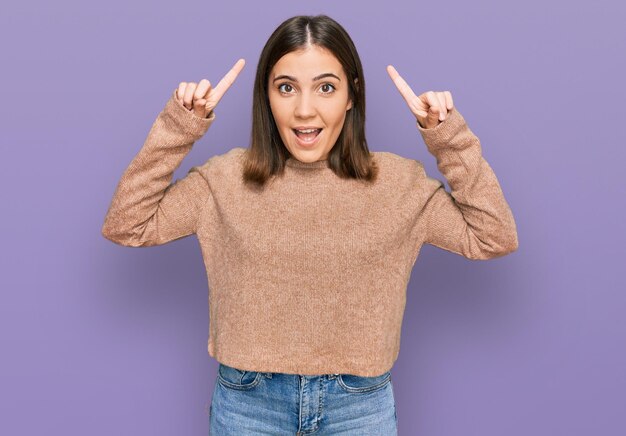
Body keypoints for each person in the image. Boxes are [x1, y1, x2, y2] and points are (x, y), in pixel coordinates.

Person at [102, 14, 518, 436]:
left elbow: (493, 235)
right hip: (249, 405)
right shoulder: (223, 180)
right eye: (286, 88)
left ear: (352, 95)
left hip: (360, 408)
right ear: (266, 96)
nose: (304, 110)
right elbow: (127, 223)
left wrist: (448, 137)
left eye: (326, 87)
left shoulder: (400, 185)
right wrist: (179, 127)